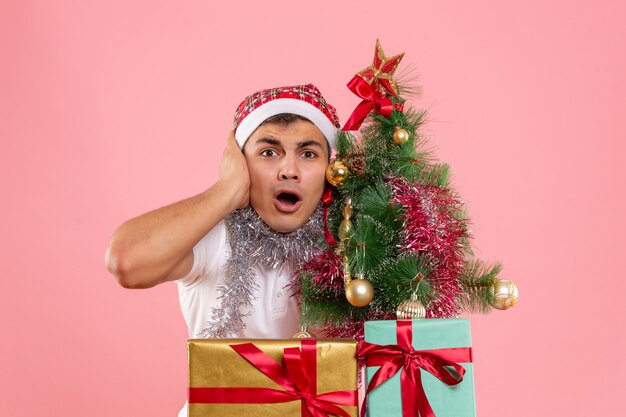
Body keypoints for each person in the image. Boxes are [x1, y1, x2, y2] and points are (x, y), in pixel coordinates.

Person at [105, 83, 340, 341]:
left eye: (308, 154)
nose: (289, 170)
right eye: (269, 152)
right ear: (240, 164)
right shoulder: (215, 238)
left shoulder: (353, 246)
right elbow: (126, 261)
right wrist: (228, 189)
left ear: (330, 171)